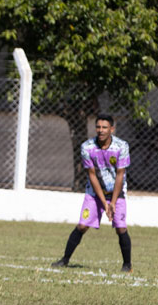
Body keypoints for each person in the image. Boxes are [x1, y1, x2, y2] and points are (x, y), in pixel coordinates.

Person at [51, 114, 132, 272]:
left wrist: (113, 203)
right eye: (98, 127)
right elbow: (92, 176)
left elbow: (120, 175)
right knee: (82, 225)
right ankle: (65, 259)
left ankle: (127, 265)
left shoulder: (122, 146)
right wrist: (104, 203)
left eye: (104, 127)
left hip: (117, 192)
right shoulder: (87, 147)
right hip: (94, 193)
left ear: (112, 129)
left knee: (121, 227)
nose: (101, 131)